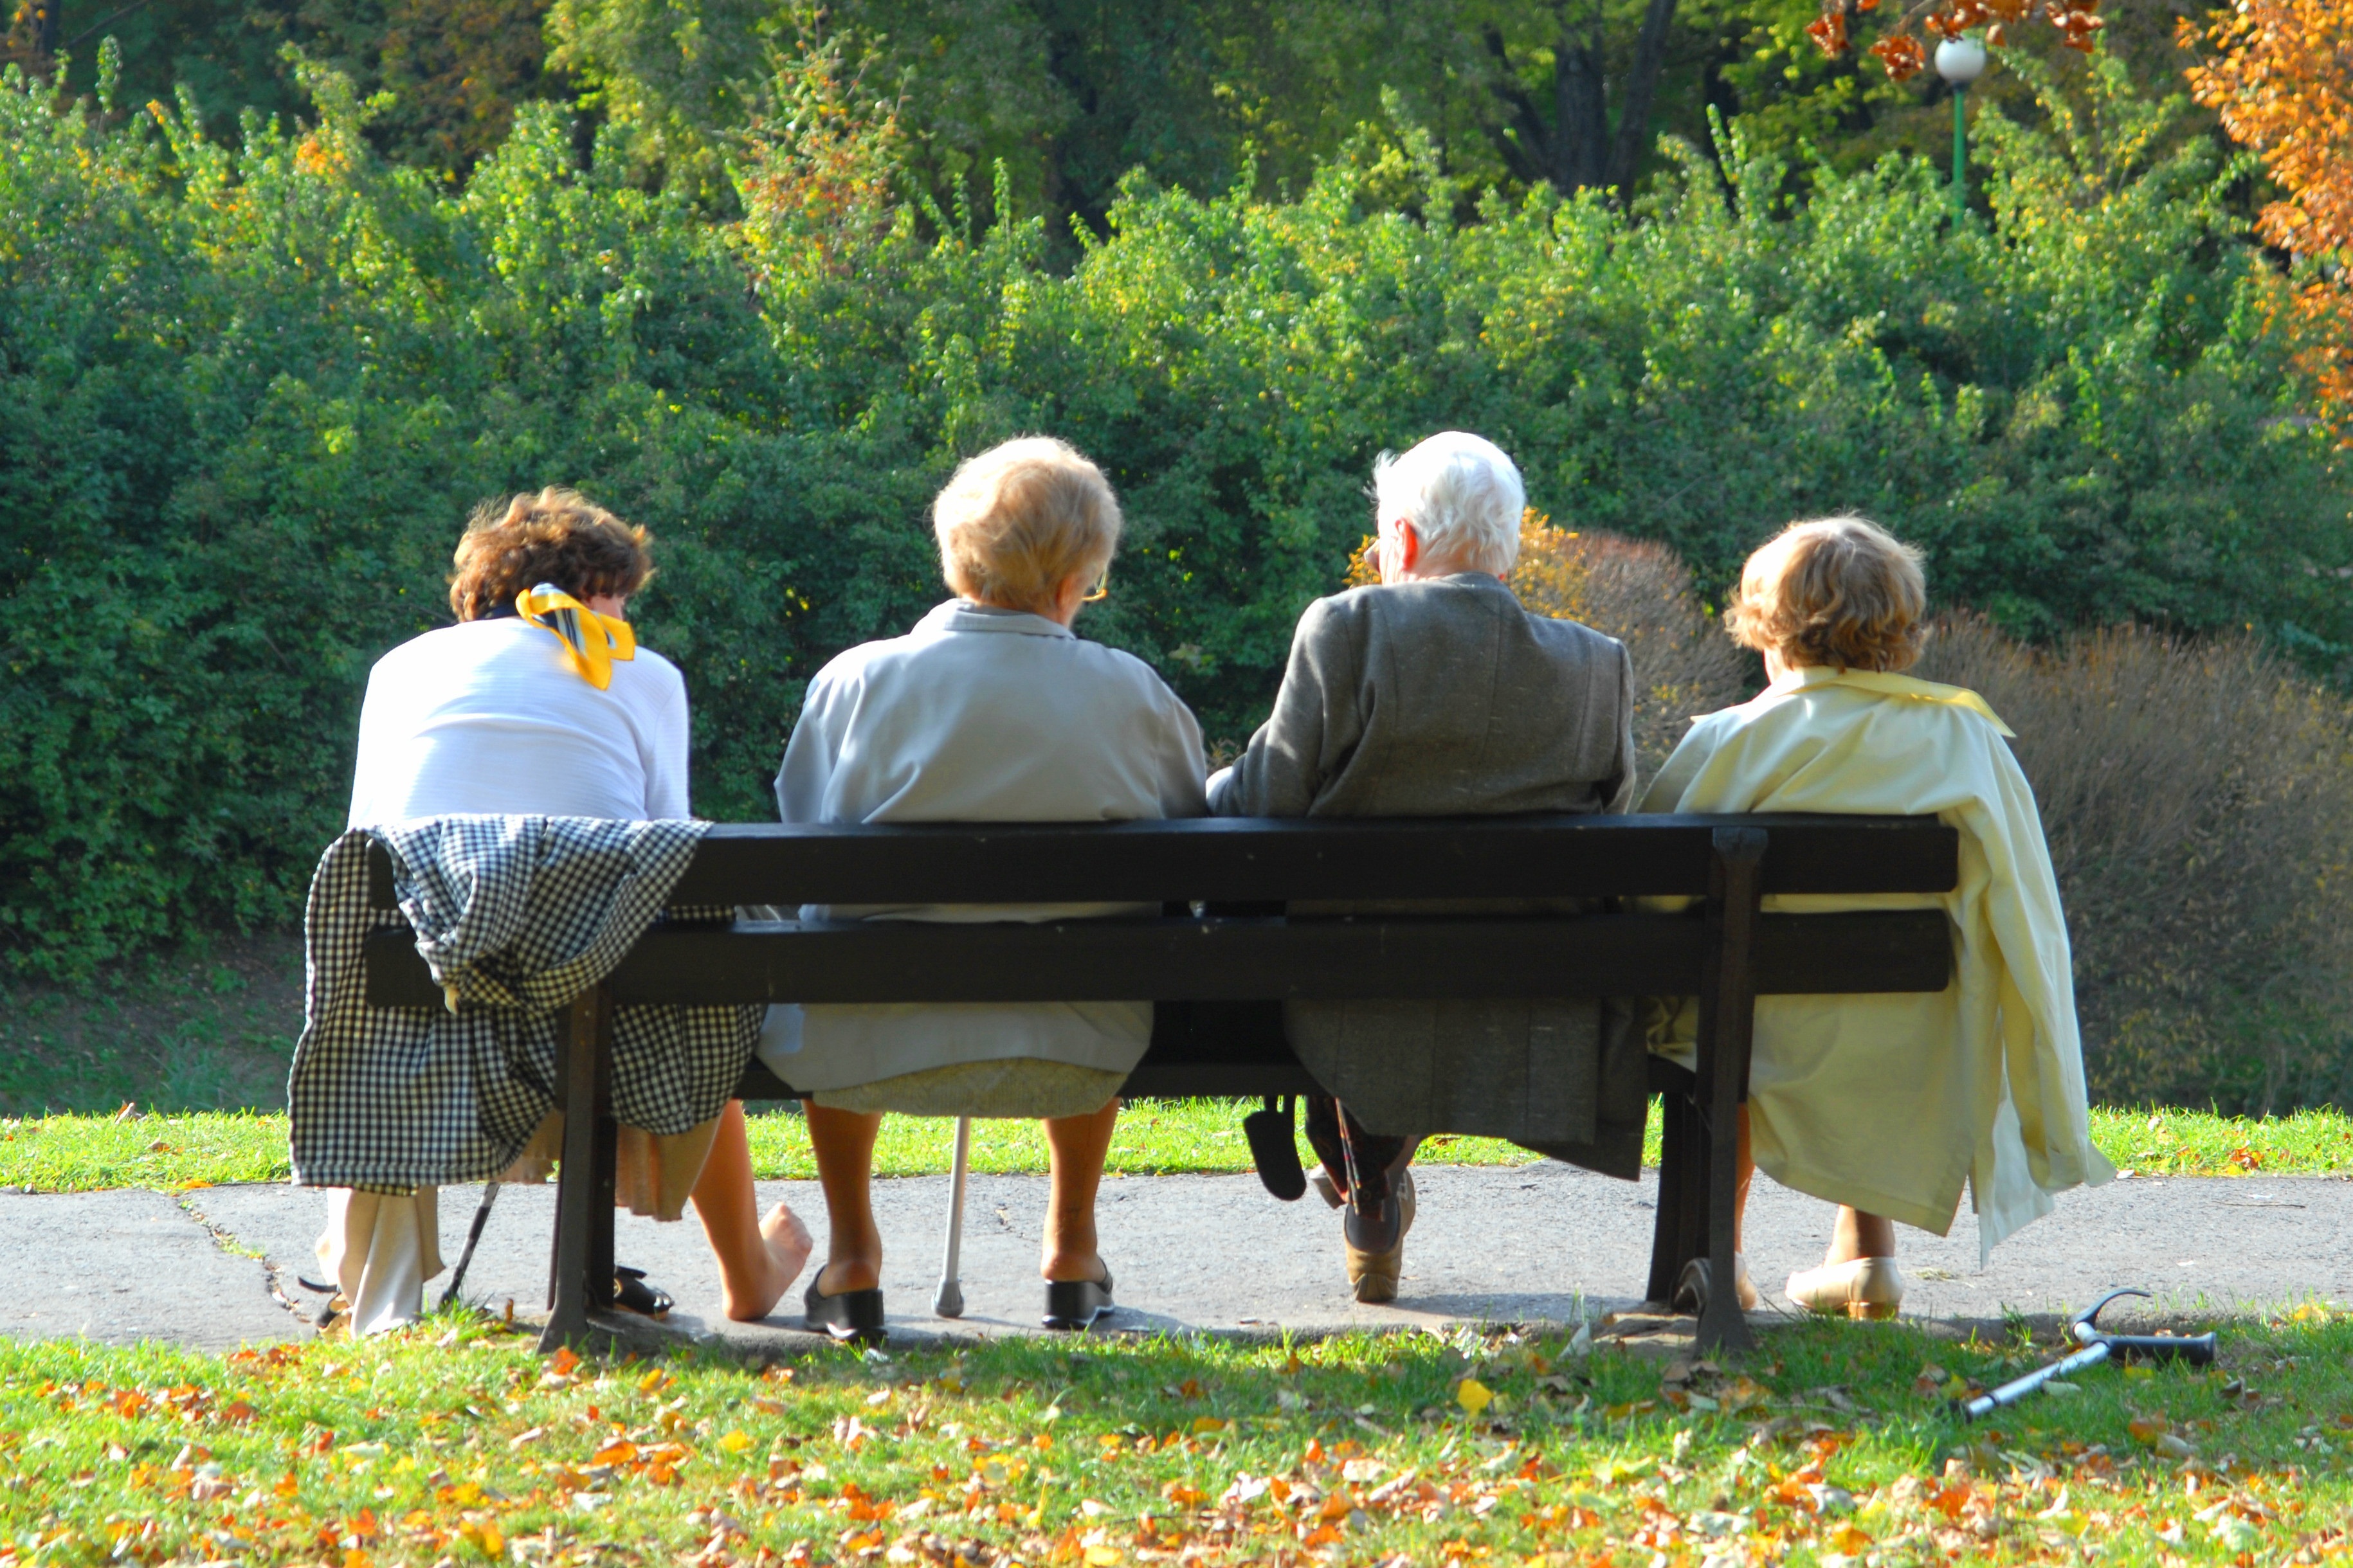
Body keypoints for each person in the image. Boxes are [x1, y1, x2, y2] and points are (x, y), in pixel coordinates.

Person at [330, 487, 812, 1333]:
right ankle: (751, 1270)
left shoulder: (400, 667)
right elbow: (666, 843)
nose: (627, 615)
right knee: (692, 985)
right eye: (621, 596)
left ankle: (369, 1283)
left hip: (429, 978)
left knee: (382, 997)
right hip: (605, 981)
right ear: (591, 587)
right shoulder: (641, 671)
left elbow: (367, 835)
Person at [761, 436, 1208, 1338]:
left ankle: (851, 1258)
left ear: (959, 558)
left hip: (868, 1036)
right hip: (1080, 1039)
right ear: (1071, 577)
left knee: (835, 956)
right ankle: (1072, 1250)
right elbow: (1184, 839)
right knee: (1098, 950)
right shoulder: (1134, 691)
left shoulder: (854, 681)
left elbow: (803, 828)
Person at [1641, 514, 2112, 1320]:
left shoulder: (1732, 740)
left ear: (1770, 630)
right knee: (1873, 1016)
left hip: (1751, 1029)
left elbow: (1648, 892)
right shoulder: (1965, 739)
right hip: (1916, 1024)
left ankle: (1720, 1253)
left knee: (1728, 1014)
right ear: (1897, 631)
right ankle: (1865, 1258)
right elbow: (2026, 913)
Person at [1207, 431, 1640, 1303]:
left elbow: (1264, 799)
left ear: (1398, 542)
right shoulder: (1598, 663)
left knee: (1345, 956)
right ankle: (1373, 1164)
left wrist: (1200, 782)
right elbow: (1621, 821)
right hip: (1526, 995)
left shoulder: (1345, 627)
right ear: (1508, 543)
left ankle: (1367, 1160)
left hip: (1342, 988)